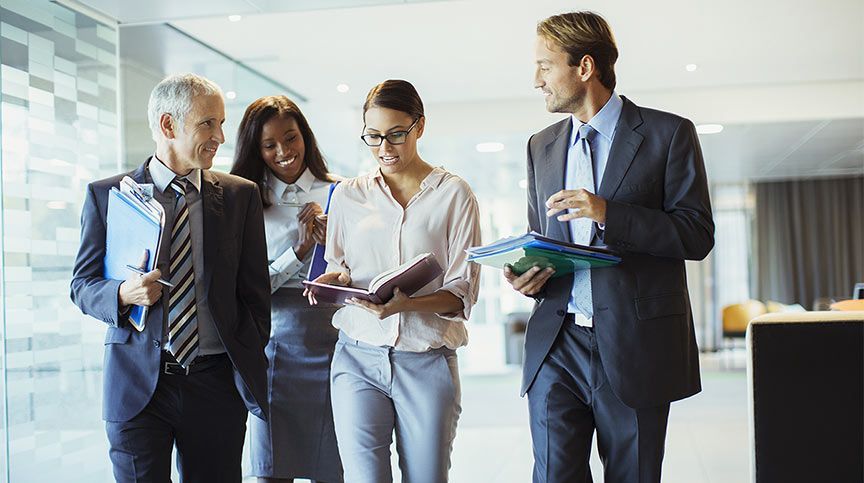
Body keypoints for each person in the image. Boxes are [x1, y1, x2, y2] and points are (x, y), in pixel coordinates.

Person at [506, 12, 715, 483]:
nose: (535, 79)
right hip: (557, 344)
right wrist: (528, 275)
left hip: (635, 344)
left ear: (584, 67)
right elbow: (542, 236)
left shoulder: (668, 134)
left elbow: (697, 234)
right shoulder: (540, 146)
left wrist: (608, 213)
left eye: (544, 65)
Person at [70, 73, 271, 483]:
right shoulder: (108, 195)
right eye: (208, 123)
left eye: (221, 123)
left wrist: (243, 354)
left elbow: (254, 294)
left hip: (215, 387)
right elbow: (82, 285)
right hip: (137, 388)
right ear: (168, 125)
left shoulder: (239, 196)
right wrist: (122, 294)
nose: (220, 136)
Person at [307, 79, 481, 483]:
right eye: (373, 136)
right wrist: (333, 281)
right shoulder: (349, 195)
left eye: (396, 134)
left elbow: (462, 294)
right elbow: (341, 265)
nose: (385, 147)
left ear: (419, 127)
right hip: (357, 357)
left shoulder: (454, 195)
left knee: (427, 477)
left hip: (426, 360)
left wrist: (407, 305)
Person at [231, 95, 343, 483]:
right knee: (271, 470)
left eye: (291, 138)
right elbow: (247, 287)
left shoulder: (341, 193)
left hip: (335, 341)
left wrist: (337, 249)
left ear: (305, 138)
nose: (283, 151)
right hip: (274, 343)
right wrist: (300, 249)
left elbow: (362, 271)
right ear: (255, 149)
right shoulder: (244, 201)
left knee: (334, 468)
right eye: (269, 145)